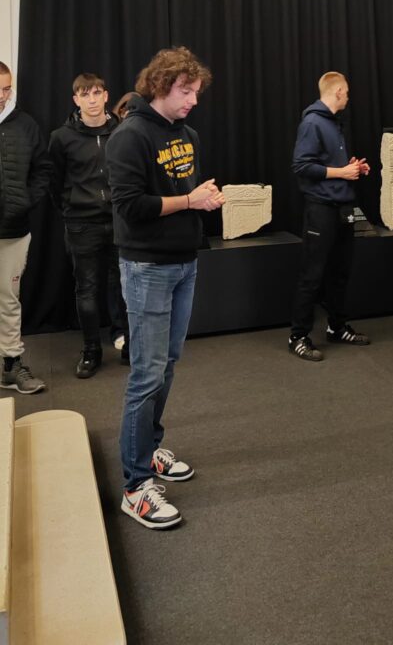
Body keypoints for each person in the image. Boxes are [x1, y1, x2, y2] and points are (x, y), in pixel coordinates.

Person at [106, 46, 225, 529]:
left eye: (196, 92)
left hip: (183, 263)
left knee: (167, 365)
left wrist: (201, 200)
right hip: (146, 267)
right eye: (186, 91)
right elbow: (130, 206)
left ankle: (149, 448)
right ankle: (135, 487)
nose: (193, 101)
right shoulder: (129, 136)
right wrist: (189, 201)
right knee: (146, 374)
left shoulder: (187, 134)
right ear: (160, 86)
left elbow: (181, 194)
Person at [49, 72, 128, 377]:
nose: (92, 100)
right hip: (82, 224)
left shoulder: (123, 131)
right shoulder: (61, 137)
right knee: (87, 289)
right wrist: (72, 207)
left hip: (120, 221)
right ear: (76, 100)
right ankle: (91, 350)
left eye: (97, 93)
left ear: (106, 96)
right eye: (85, 94)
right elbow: (55, 182)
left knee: (125, 284)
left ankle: (130, 343)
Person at [289, 71, 371, 361]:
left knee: (340, 272)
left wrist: (352, 168)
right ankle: (298, 336)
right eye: (346, 92)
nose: (348, 97)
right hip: (321, 209)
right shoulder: (312, 122)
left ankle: (336, 327)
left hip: (342, 207)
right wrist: (341, 172)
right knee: (312, 275)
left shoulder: (334, 122)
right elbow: (301, 166)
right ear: (337, 92)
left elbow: (329, 165)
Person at [0, 61, 51, 394]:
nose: (2, 96)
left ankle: (11, 365)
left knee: (8, 299)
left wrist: (24, 202)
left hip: (13, 229)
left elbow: (43, 169)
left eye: (6, 89)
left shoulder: (26, 125)